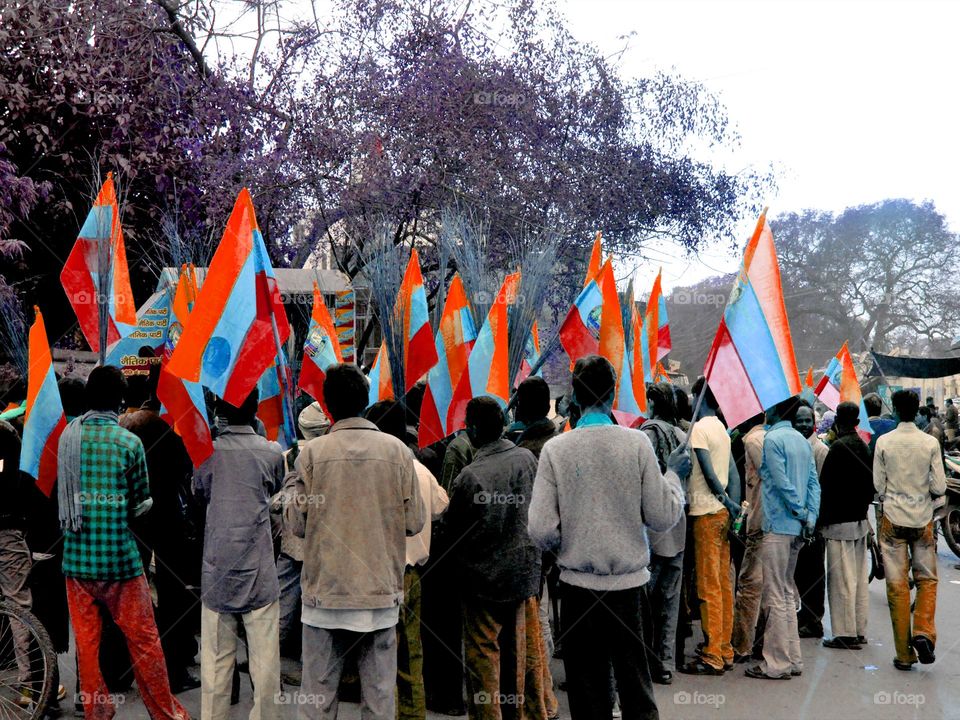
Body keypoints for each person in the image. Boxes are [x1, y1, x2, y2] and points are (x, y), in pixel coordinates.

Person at [529, 355, 689, 720]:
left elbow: (539, 529)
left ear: (573, 395)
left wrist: (569, 544)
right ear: (613, 392)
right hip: (629, 591)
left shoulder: (557, 449)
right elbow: (662, 517)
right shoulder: (636, 445)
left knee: (588, 695)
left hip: (577, 591)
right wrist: (675, 478)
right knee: (636, 689)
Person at [289, 363, 424, 720]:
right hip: (379, 595)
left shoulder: (311, 455)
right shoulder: (398, 452)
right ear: (366, 401)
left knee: (317, 699)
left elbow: (297, 526)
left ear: (328, 406)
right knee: (380, 700)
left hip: (324, 595)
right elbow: (414, 522)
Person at [57, 366, 188, 720]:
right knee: (144, 641)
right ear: (120, 400)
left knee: (86, 644)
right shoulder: (129, 443)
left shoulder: (68, 439)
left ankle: (96, 710)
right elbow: (141, 503)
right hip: (121, 561)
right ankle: (165, 712)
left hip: (77, 561)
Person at [445, 396, 544, 720]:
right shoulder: (526, 459)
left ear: (473, 428)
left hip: (483, 580)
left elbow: (453, 529)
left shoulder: (471, 476)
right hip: (522, 574)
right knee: (519, 654)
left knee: (483, 658)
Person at [194, 389, 284, 720]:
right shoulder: (272, 452)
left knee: (216, 666)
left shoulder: (206, 454)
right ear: (255, 409)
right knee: (265, 666)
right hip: (259, 569)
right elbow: (276, 489)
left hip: (217, 569)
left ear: (218, 410)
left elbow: (200, 492)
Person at [365, 400, 449, 720]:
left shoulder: (379, 468)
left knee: (381, 657)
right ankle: (414, 714)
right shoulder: (421, 470)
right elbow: (442, 506)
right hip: (414, 574)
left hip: (383, 572)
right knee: (411, 653)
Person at [120, 380, 201, 693]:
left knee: (127, 593)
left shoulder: (124, 429)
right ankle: (174, 669)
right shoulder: (170, 429)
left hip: (133, 518)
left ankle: (122, 668)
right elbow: (185, 471)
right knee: (173, 596)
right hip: (167, 517)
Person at [745, 396, 819, 681]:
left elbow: (779, 482)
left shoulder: (773, 440)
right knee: (787, 592)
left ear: (776, 410)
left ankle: (775, 664)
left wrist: (800, 512)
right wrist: (809, 516)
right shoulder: (802, 441)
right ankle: (792, 660)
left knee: (776, 593)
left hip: (779, 524)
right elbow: (813, 484)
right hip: (799, 527)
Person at [873, 389, 946, 670]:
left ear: (894, 409)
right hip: (922, 520)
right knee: (927, 580)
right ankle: (923, 632)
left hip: (892, 519)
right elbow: (939, 487)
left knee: (897, 586)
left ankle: (904, 654)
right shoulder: (929, 443)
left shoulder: (884, 443)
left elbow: (879, 487)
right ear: (917, 411)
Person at [678, 377, 740, 676]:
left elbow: (710, 474)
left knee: (708, 586)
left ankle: (712, 654)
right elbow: (733, 475)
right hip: (722, 516)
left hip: (706, 513)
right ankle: (725, 648)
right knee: (723, 584)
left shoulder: (700, 429)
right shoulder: (723, 431)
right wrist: (733, 507)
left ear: (698, 397)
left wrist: (725, 501)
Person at [511, 376, 560, 720]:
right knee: (543, 615)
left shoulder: (530, 450)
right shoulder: (556, 442)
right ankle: (544, 692)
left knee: (537, 617)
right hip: (557, 546)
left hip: (535, 546)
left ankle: (542, 697)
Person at [273, 401, 331, 665]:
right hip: (320, 541)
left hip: (292, 540)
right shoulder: (329, 457)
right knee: (314, 605)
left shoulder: (289, 455)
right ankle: (311, 659)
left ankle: (269, 653)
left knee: (284, 601)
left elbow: (279, 499)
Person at [423, 428, 474, 716]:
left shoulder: (447, 453)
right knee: (450, 632)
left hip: (433, 562)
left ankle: (439, 694)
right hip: (453, 562)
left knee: (435, 631)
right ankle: (450, 696)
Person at [639, 383, 687, 685]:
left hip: (652, 528)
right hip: (679, 524)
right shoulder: (683, 436)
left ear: (653, 404)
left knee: (644, 604)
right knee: (670, 602)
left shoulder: (646, 435)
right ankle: (665, 664)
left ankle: (644, 662)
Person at [819, 402, 874, 650]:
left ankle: (844, 633)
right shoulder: (863, 447)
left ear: (837, 423)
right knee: (859, 579)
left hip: (838, 522)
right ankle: (859, 629)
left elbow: (825, 488)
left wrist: (818, 522)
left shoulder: (837, 448)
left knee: (841, 580)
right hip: (860, 520)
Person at [731, 413, 766, 662]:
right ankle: (761, 644)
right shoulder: (777, 438)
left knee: (749, 586)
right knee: (771, 587)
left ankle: (742, 645)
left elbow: (764, 483)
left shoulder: (752, 441)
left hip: (758, 522)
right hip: (775, 525)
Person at [792, 402, 828, 639]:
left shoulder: (820, 450)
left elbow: (821, 488)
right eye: (800, 421)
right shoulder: (796, 445)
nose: (804, 425)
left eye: (807, 421)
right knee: (800, 573)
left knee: (813, 573)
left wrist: (814, 521)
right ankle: (804, 616)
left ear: (814, 424)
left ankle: (814, 620)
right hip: (798, 520)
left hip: (814, 522)